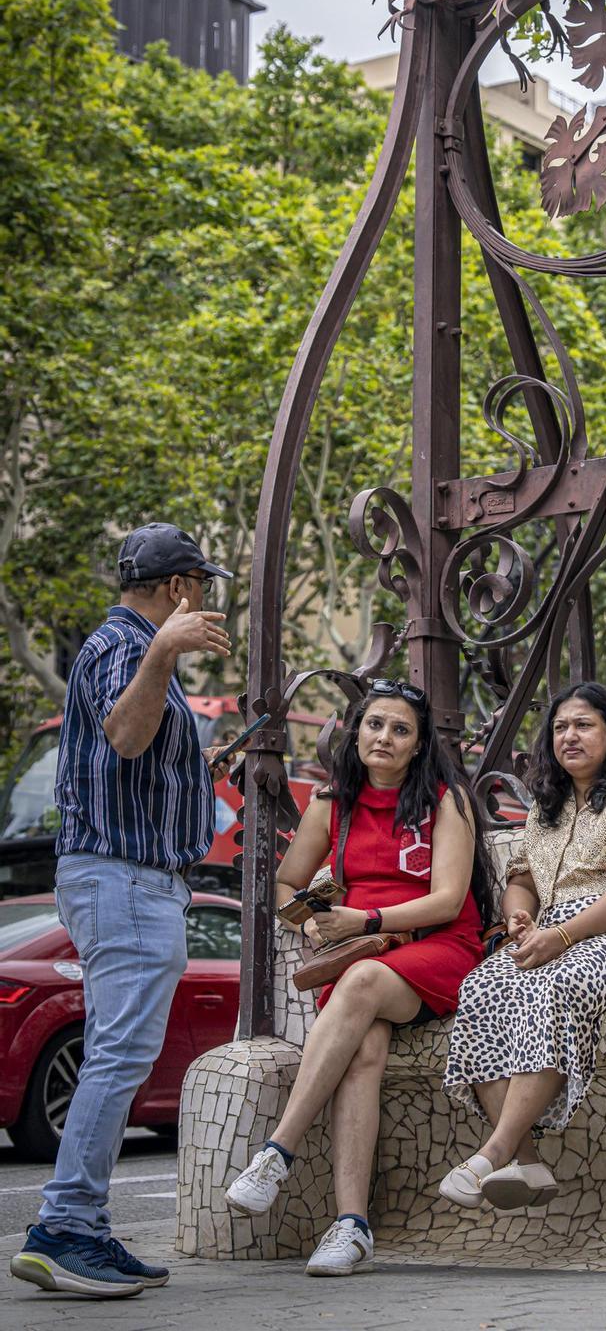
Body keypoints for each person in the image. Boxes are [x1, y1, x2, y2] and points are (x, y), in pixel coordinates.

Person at [10, 523, 233, 1299]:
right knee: (117, 1056)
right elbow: (126, 736)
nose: (205, 599)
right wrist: (166, 651)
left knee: (116, 1052)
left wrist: (204, 769)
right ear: (177, 588)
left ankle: (83, 1228)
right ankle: (66, 1227)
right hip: (127, 881)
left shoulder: (129, 652)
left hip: (129, 880)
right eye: (201, 584)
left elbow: (131, 757)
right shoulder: (123, 647)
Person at [224, 677, 496, 1276]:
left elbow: (450, 900)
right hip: (356, 951)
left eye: (401, 730)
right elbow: (287, 884)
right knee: (364, 1051)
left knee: (363, 984)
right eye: (375, 725)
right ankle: (352, 1226)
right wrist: (311, 926)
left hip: (435, 948)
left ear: (419, 745)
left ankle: (277, 1150)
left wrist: (366, 916)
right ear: (355, 731)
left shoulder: (444, 799)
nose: (385, 738)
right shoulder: (332, 803)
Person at [439, 681, 606, 1211]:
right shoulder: (545, 804)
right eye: (559, 728)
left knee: (558, 983)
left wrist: (562, 936)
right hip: (550, 931)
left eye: (582, 725)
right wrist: (518, 916)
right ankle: (527, 1162)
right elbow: (522, 876)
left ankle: (496, 1149)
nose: (568, 737)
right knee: (483, 988)